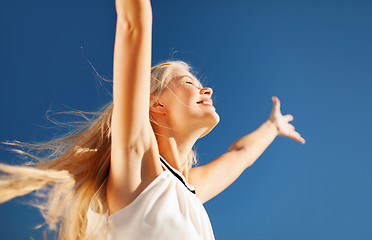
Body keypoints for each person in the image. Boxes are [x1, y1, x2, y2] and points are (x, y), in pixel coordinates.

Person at [0, 0, 305, 239]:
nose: (206, 89)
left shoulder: (190, 189)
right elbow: (134, 25)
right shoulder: (139, 166)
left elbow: (240, 155)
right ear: (156, 104)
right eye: (189, 82)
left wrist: (272, 127)